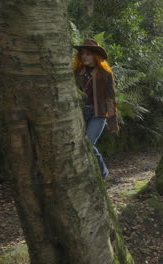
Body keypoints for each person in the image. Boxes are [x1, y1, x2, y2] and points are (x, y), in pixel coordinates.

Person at [73, 39, 119, 178]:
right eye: (82, 54)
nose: (84, 57)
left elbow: (110, 98)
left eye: (88, 54)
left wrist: (112, 121)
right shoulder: (76, 72)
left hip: (98, 114)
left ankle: (103, 173)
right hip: (79, 113)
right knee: (78, 145)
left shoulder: (105, 74)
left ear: (96, 56)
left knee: (87, 143)